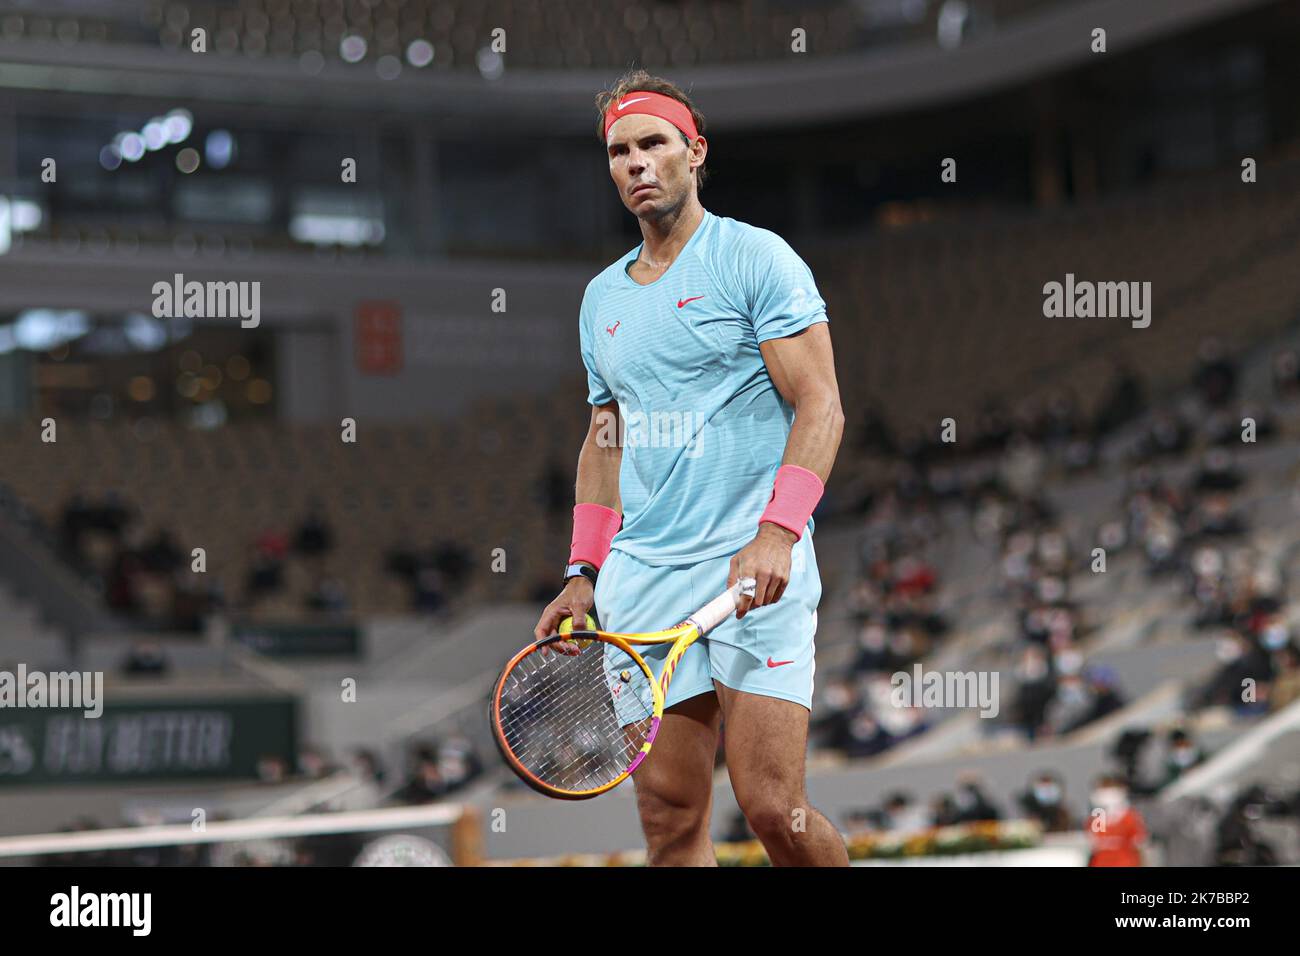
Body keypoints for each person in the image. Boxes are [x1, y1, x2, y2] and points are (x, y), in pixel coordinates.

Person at [533, 70, 847, 867]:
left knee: (776, 811)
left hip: (751, 567)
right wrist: (582, 572)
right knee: (671, 824)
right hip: (643, 581)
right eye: (619, 151)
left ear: (694, 151)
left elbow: (822, 406)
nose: (636, 163)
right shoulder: (600, 299)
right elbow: (604, 441)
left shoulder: (754, 259)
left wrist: (778, 533)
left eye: (653, 143)